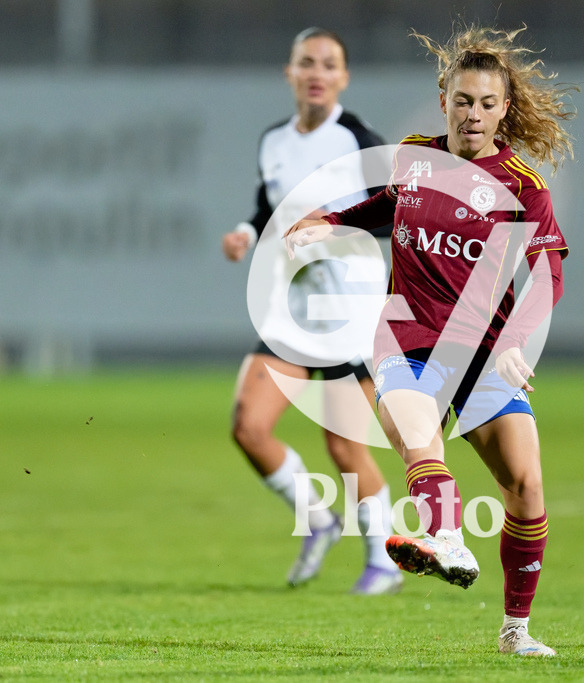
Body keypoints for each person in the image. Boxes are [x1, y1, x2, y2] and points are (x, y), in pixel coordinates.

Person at [284, 24, 575, 655]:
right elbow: (385, 204)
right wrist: (329, 222)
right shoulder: (415, 156)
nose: (474, 114)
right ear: (443, 96)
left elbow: (547, 275)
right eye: (463, 100)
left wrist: (521, 340)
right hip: (407, 337)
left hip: (483, 352)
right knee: (418, 438)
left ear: (506, 110)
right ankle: (444, 535)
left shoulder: (523, 187)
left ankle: (515, 632)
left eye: (488, 104)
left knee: (525, 489)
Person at [222, 27, 402, 596]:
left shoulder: (358, 139)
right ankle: (319, 518)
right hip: (293, 309)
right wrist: (248, 231)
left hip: (350, 312)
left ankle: (386, 561)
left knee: (345, 444)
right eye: (307, 62)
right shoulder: (274, 140)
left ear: (343, 77)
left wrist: (333, 224)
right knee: (249, 426)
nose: (318, 71)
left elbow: (401, 211)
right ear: (290, 73)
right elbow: (267, 200)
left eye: (329, 63)